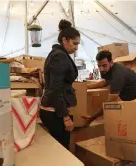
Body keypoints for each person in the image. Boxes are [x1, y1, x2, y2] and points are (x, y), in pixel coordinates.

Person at [40, 19, 80, 150]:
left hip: (53, 110)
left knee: (58, 150)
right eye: (74, 43)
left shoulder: (56, 54)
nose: (76, 47)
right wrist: (66, 117)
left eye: (78, 44)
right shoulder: (60, 57)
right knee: (63, 149)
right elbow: (56, 89)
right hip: (55, 112)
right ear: (64, 40)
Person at [85, 50, 136, 124]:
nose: (101, 69)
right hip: (135, 103)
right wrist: (87, 87)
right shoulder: (111, 68)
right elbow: (105, 82)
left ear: (111, 62)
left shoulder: (117, 75)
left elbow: (109, 103)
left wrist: (91, 118)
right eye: (99, 66)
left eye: (104, 65)